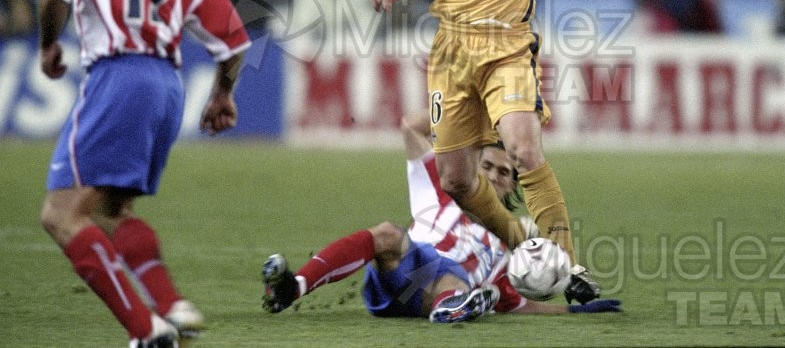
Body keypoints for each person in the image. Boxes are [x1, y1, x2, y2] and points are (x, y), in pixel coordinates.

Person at [370, 0, 673, 305]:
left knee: (523, 148)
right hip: (450, 55)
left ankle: (570, 267)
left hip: (508, 50)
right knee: (455, 180)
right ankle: (521, 245)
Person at [36, 0, 251, 348]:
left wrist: (48, 45)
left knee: (61, 214)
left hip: (118, 77)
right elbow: (234, 39)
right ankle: (170, 306)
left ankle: (146, 330)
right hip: (166, 88)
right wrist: (222, 93)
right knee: (110, 212)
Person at [261, 110, 622, 322]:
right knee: (387, 233)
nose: (495, 176)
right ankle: (294, 287)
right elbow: (411, 128)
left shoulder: (511, 250)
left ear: (514, 187)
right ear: (473, 168)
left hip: (439, 290)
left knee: (467, 282)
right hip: (402, 270)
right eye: (488, 167)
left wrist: (573, 311)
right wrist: (465, 109)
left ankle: (452, 306)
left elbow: (518, 303)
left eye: (505, 173)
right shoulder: (437, 185)